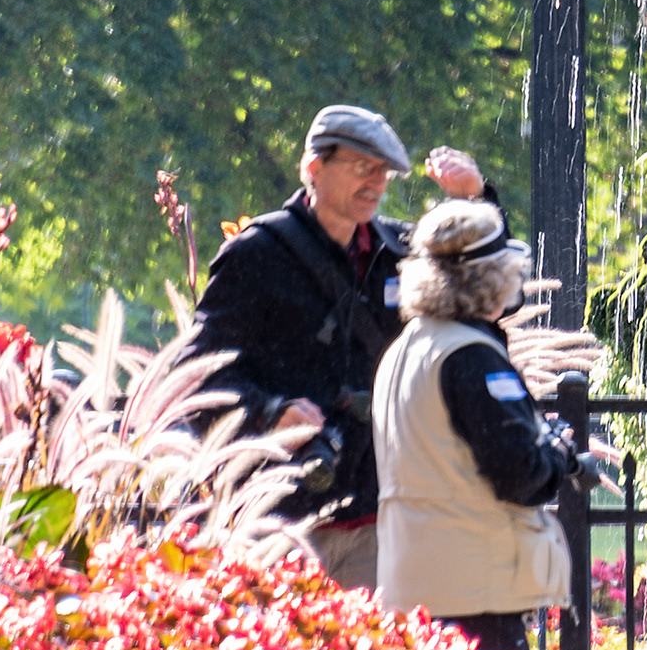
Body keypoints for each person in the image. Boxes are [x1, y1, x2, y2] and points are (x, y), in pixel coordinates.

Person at [185, 105, 491, 590]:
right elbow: (197, 374)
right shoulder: (256, 255)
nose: (375, 183)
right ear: (313, 168)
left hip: (379, 518)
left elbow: (493, 295)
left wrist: (476, 203)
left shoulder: (403, 253)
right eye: (361, 168)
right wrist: (267, 412)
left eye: (383, 173)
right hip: (278, 520)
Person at [374, 196, 588, 650]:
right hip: (475, 597)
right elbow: (520, 473)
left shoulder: (405, 349)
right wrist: (560, 456)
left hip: (416, 587)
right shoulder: (470, 356)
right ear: (493, 280)